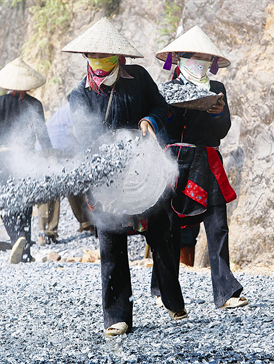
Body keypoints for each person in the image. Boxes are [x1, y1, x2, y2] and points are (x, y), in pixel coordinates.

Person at [62, 17, 186, 336]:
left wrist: (149, 121)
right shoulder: (80, 94)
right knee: (111, 242)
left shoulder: (139, 78)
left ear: (120, 58)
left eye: (106, 59)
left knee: (161, 234)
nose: (100, 65)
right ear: (86, 58)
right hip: (107, 176)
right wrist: (106, 159)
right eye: (93, 58)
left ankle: (172, 300)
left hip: (145, 168)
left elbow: (163, 109)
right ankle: (117, 315)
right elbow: (88, 137)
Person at [154, 25, 248, 309]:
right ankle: (163, 289)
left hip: (208, 160)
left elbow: (223, 130)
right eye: (193, 57)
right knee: (169, 227)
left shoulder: (217, 89)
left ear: (212, 63)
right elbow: (162, 127)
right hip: (174, 161)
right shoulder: (168, 89)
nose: (200, 63)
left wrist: (217, 113)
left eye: (205, 58)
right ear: (180, 59)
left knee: (218, 225)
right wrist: (177, 107)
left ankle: (226, 292)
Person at [0, 58, 52, 264]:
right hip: (28, 158)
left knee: (5, 202)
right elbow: (43, 135)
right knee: (25, 202)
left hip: (6, 158)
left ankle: (17, 238)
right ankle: (24, 248)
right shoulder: (35, 104)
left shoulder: (0, 103)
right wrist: (49, 157)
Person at [37, 98, 95, 245]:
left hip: (49, 150)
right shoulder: (76, 107)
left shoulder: (63, 110)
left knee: (71, 184)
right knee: (58, 188)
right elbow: (78, 132)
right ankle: (48, 232)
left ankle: (85, 223)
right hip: (54, 152)